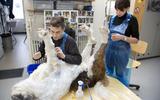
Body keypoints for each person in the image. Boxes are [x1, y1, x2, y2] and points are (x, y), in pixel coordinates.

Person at [105, 0, 139, 86]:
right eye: (116, 10)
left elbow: (136, 40)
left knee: (120, 74)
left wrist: (122, 37)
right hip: (109, 50)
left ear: (127, 8)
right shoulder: (112, 18)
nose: (118, 12)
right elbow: (109, 34)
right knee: (108, 72)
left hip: (122, 52)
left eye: (121, 10)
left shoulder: (132, 20)